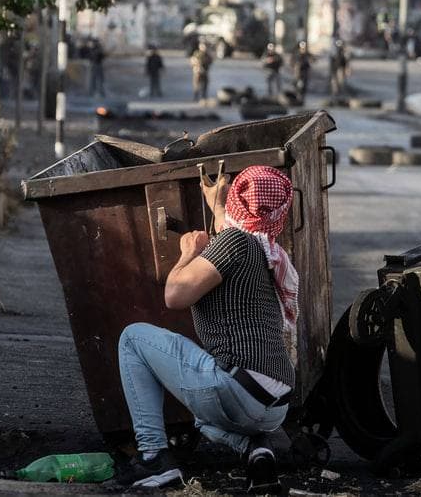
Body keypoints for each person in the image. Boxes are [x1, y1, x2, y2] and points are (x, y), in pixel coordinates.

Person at [115, 166, 298, 492]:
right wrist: (219, 208)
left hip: (238, 391)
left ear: (239, 203)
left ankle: (154, 456)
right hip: (275, 405)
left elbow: (174, 296)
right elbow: (230, 241)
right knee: (203, 413)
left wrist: (187, 255)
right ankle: (256, 450)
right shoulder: (267, 251)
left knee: (133, 338)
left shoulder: (235, 243)